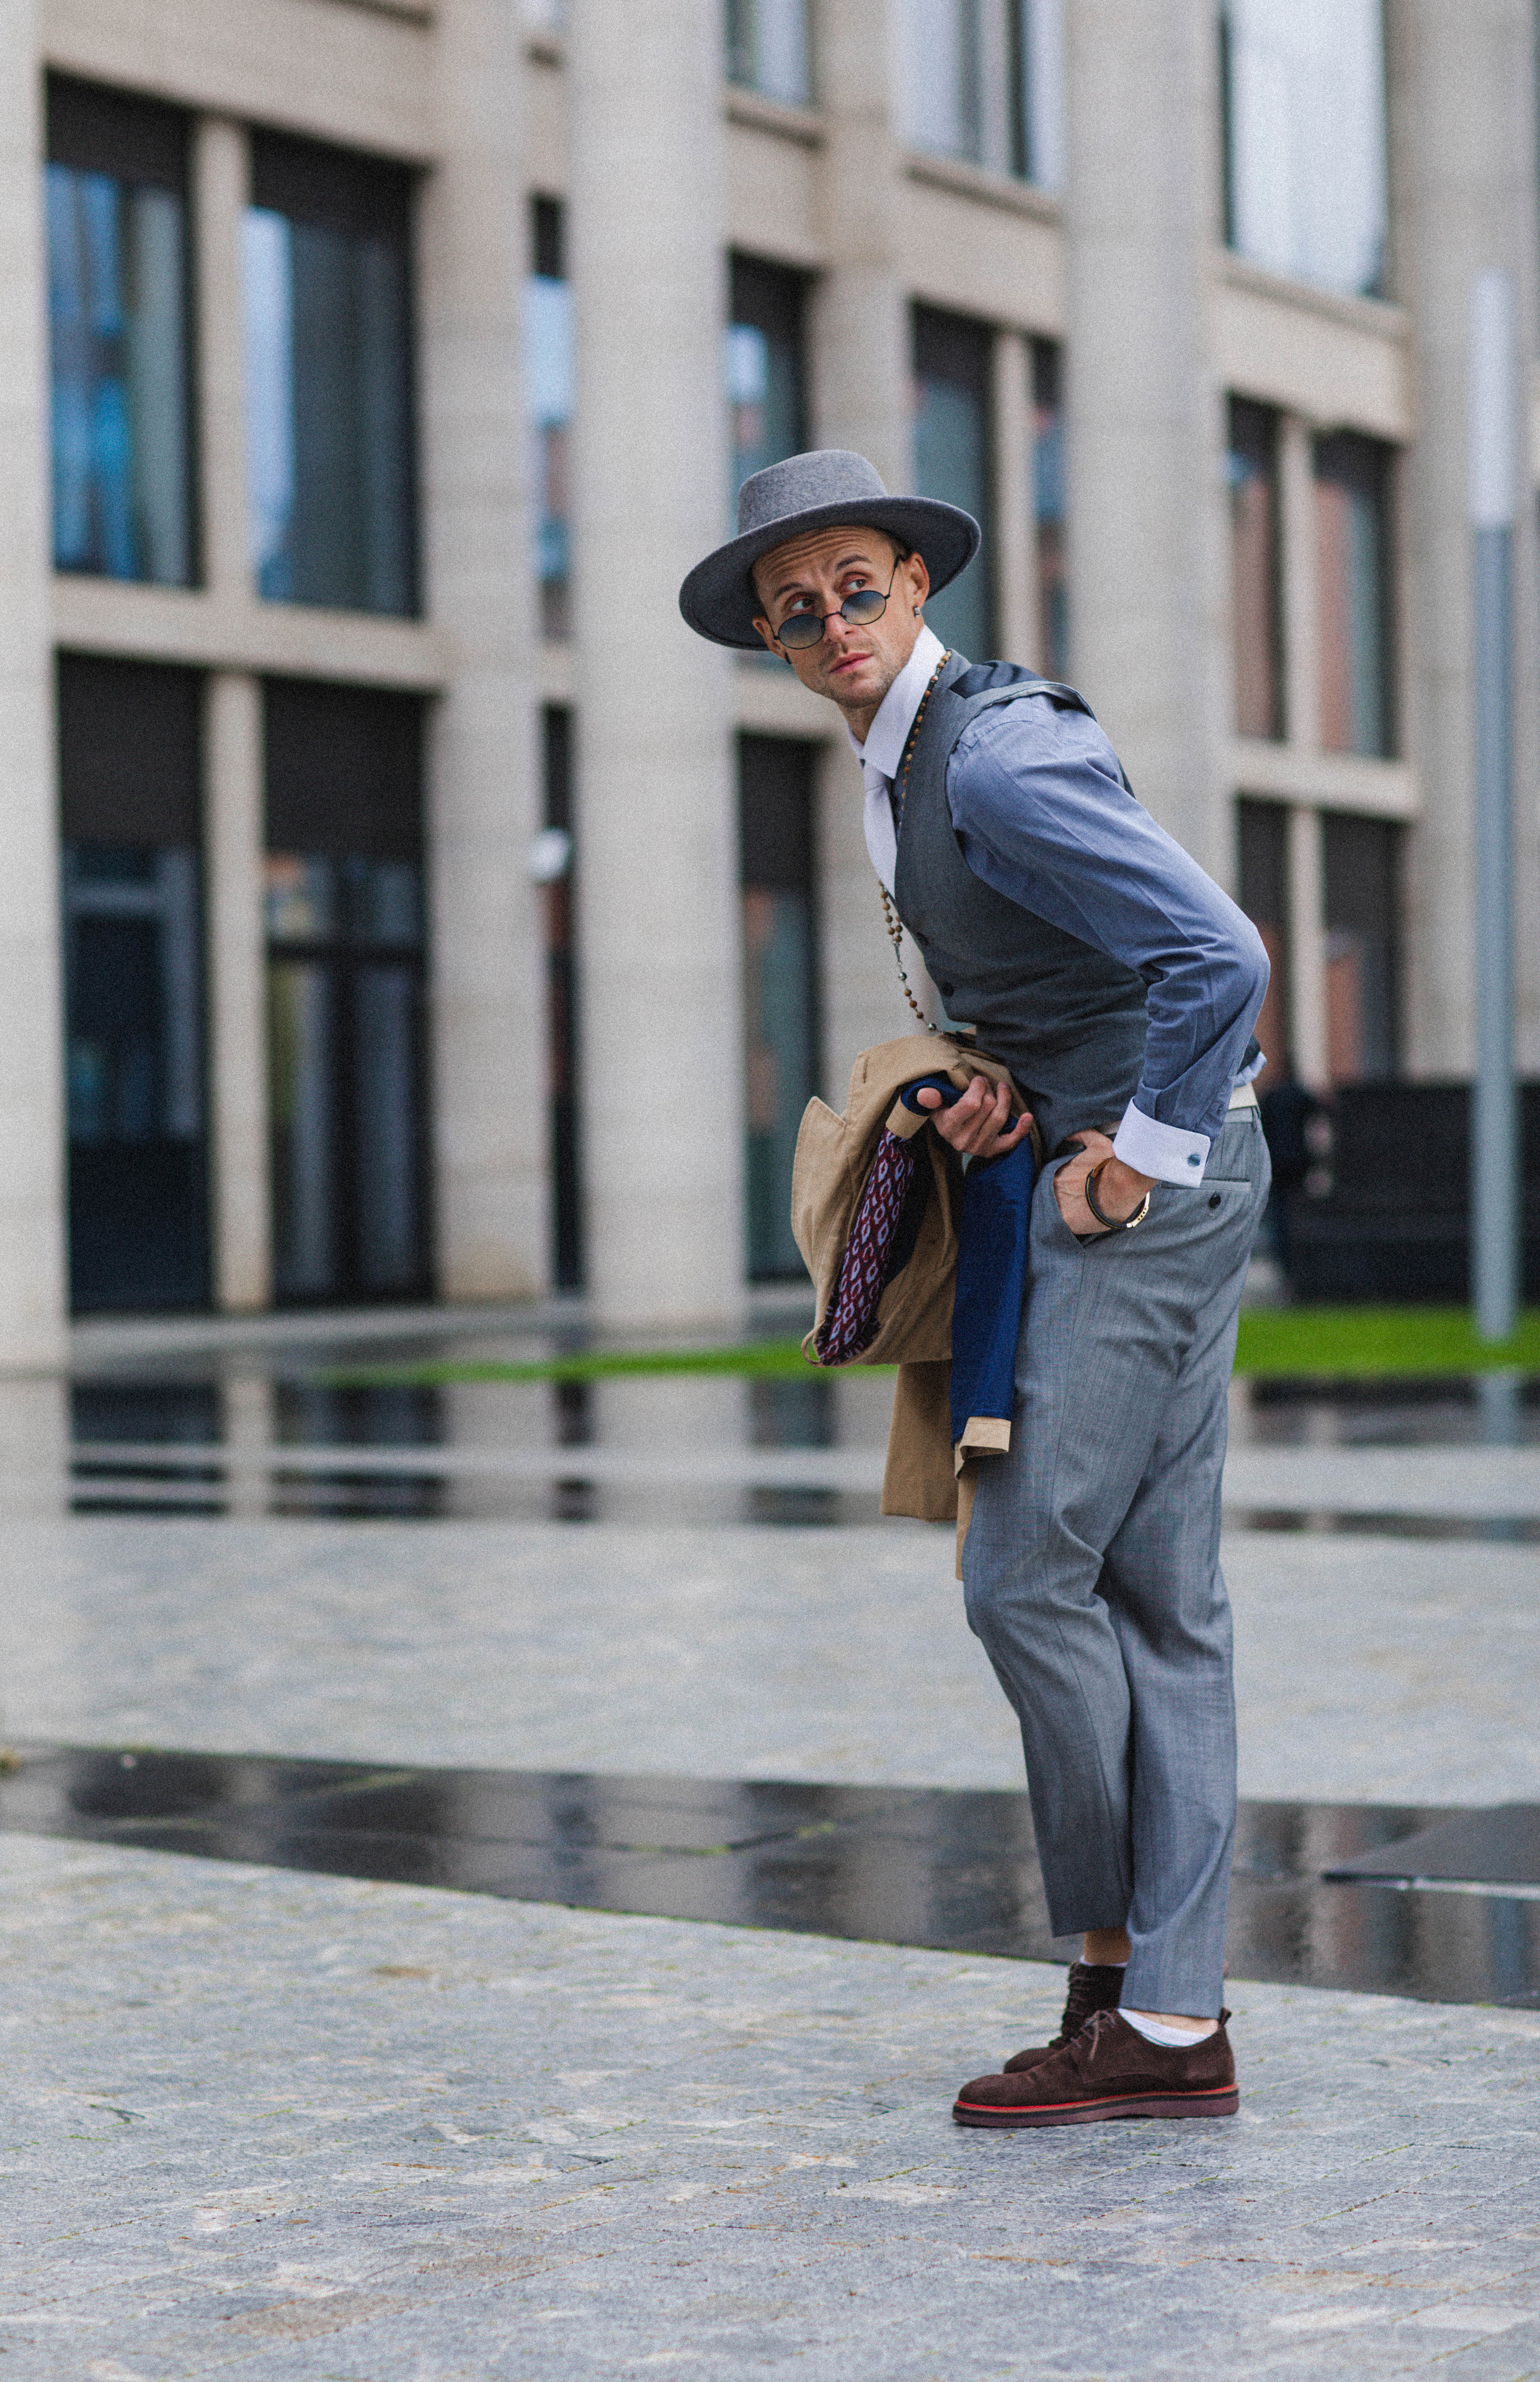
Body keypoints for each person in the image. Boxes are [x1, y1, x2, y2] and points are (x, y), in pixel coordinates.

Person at [681, 452, 1271, 2128]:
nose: (831, 622)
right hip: (1138, 1164)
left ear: (917, 586)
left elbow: (1219, 957)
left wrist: (1135, 1150)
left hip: (1146, 1196)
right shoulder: (908, 755)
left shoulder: (993, 759)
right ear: (776, 646)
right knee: (1161, 1601)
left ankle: (1129, 1987)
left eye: (856, 585)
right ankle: (1157, 2021)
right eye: (797, 612)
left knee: (1023, 1577)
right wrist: (988, 1077)